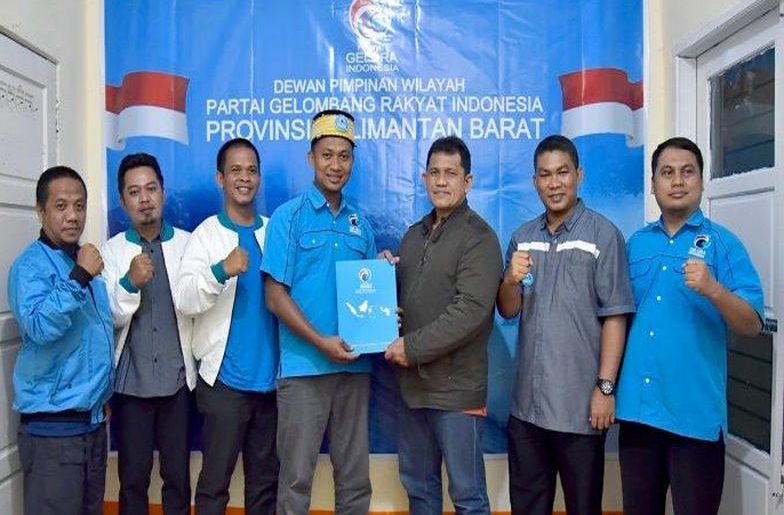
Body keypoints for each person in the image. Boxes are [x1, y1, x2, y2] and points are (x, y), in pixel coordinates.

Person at [616, 137, 764, 515]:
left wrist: (714, 289)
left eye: (687, 172)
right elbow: (618, 318)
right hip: (638, 414)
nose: (677, 181)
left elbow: (751, 324)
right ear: (653, 184)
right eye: (667, 173)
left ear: (701, 180)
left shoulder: (723, 244)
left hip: (694, 419)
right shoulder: (635, 244)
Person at [497, 135, 634, 515]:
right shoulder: (523, 238)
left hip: (581, 411)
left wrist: (605, 388)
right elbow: (507, 310)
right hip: (528, 410)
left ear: (579, 175)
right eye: (545, 175)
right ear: (535, 181)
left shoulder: (603, 235)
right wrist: (510, 279)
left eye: (562, 172)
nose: (554, 183)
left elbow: (616, 315)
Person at [261, 109, 376, 515]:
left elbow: (369, 291)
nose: (335, 165)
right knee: (295, 482)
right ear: (311, 158)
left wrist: (383, 303)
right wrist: (320, 342)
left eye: (344, 156)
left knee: (355, 483)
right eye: (327, 155)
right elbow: (274, 296)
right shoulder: (288, 218)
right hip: (303, 370)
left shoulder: (361, 222)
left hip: (354, 370)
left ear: (353, 161)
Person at [385, 135, 502, 514]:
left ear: (468, 182)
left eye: (451, 173)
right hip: (413, 389)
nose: (441, 181)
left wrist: (411, 347)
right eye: (434, 173)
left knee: (468, 497)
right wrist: (383, 282)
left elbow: (471, 311)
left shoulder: (480, 238)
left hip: (456, 393)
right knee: (419, 491)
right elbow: (407, 301)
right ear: (423, 178)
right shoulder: (413, 235)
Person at [174, 138, 278, 515]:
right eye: (236, 170)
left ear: (259, 178)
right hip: (224, 385)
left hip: (272, 384)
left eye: (251, 170)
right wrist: (221, 271)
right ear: (220, 178)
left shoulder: (275, 231)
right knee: (214, 486)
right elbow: (184, 298)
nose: (244, 178)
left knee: (265, 487)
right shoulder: (205, 234)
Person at [8, 166, 113, 515]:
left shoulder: (83, 260)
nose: (73, 216)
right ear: (41, 211)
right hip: (52, 431)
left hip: (91, 425)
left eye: (79, 206)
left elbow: (94, 334)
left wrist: (99, 396)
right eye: (61, 206)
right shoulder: (30, 267)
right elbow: (39, 327)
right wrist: (79, 276)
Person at [101, 153, 194, 515]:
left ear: (163, 192)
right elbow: (109, 317)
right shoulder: (112, 252)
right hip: (131, 388)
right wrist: (129, 282)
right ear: (123, 200)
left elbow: (199, 304)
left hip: (177, 385)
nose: (144, 199)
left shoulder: (188, 245)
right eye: (134, 191)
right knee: (132, 481)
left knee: (178, 480)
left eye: (151, 189)